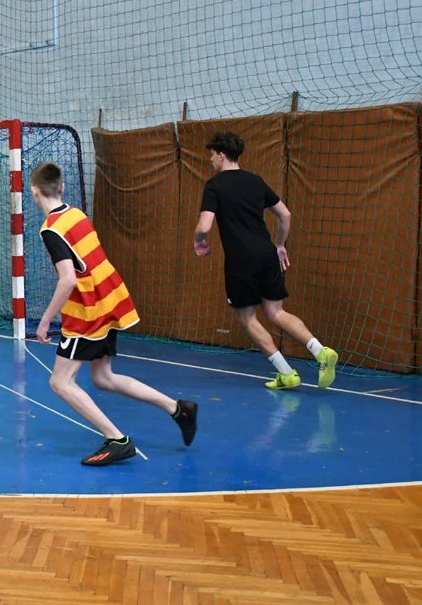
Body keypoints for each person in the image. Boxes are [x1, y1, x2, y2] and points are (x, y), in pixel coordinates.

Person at [31, 161, 197, 466]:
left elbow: (68, 279)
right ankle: (178, 409)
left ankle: (117, 440)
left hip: (88, 311)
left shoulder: (51, 229)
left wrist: (44, 320)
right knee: (103, 377)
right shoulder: (76, 214)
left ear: (34, 192)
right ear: (62, 188)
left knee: (60, 382)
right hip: (110, 300)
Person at [193, 131, 339, 390]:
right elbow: (285, 215)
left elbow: (205, 225)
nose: (211, 160)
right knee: (276, 312)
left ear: (221, 155)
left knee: (247, 319)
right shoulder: (256, 181)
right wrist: (280, 244)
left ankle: (287, 374)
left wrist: (199, 240)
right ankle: (321, 351)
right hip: (267, 253)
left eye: (212, 155)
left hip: (240, 259)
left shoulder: (214, 185)